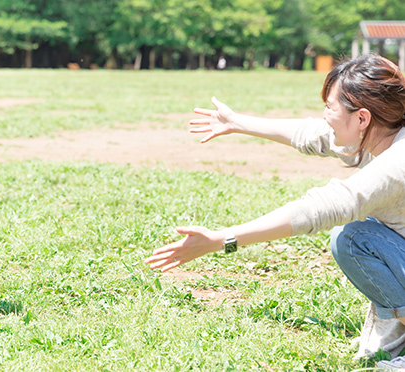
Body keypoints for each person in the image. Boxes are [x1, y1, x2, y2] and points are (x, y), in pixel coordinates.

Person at [144, 53, 405, 362]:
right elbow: (314, 136)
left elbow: (325, 207)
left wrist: (223, 239)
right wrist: (237, 122)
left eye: (329, 107)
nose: (324, 116)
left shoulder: (396, 162)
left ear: (361, 118)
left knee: (352, 238)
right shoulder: (384, 133)